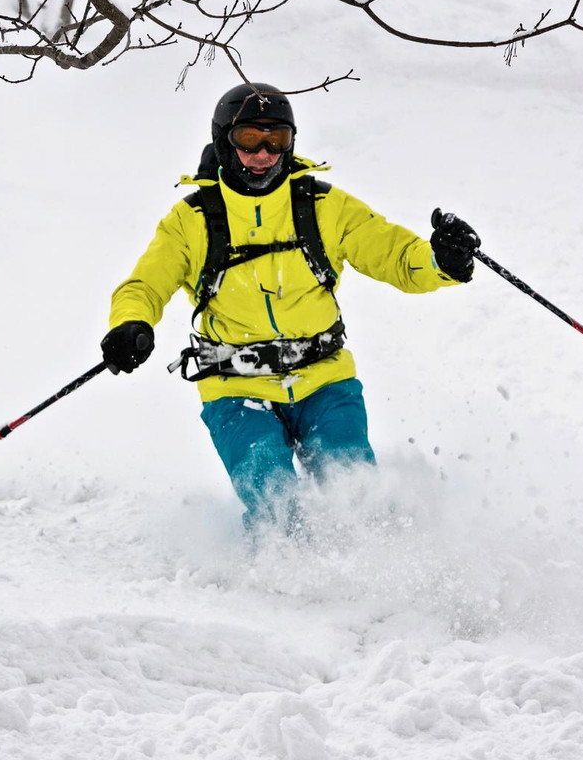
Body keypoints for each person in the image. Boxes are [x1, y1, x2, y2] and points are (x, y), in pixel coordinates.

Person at [101, 82, 481, 536]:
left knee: (358, 500)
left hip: (324, 380)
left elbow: (397, 257)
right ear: (225, 141)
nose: (264, 154)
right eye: (249, 141)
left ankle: (378, 585)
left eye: (276, 140)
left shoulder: (322, 205)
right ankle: (279, 596)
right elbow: (144, 285)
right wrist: (131, 324)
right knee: (277, 509)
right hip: (235, 388)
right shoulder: (192, 220)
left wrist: (443, 260)